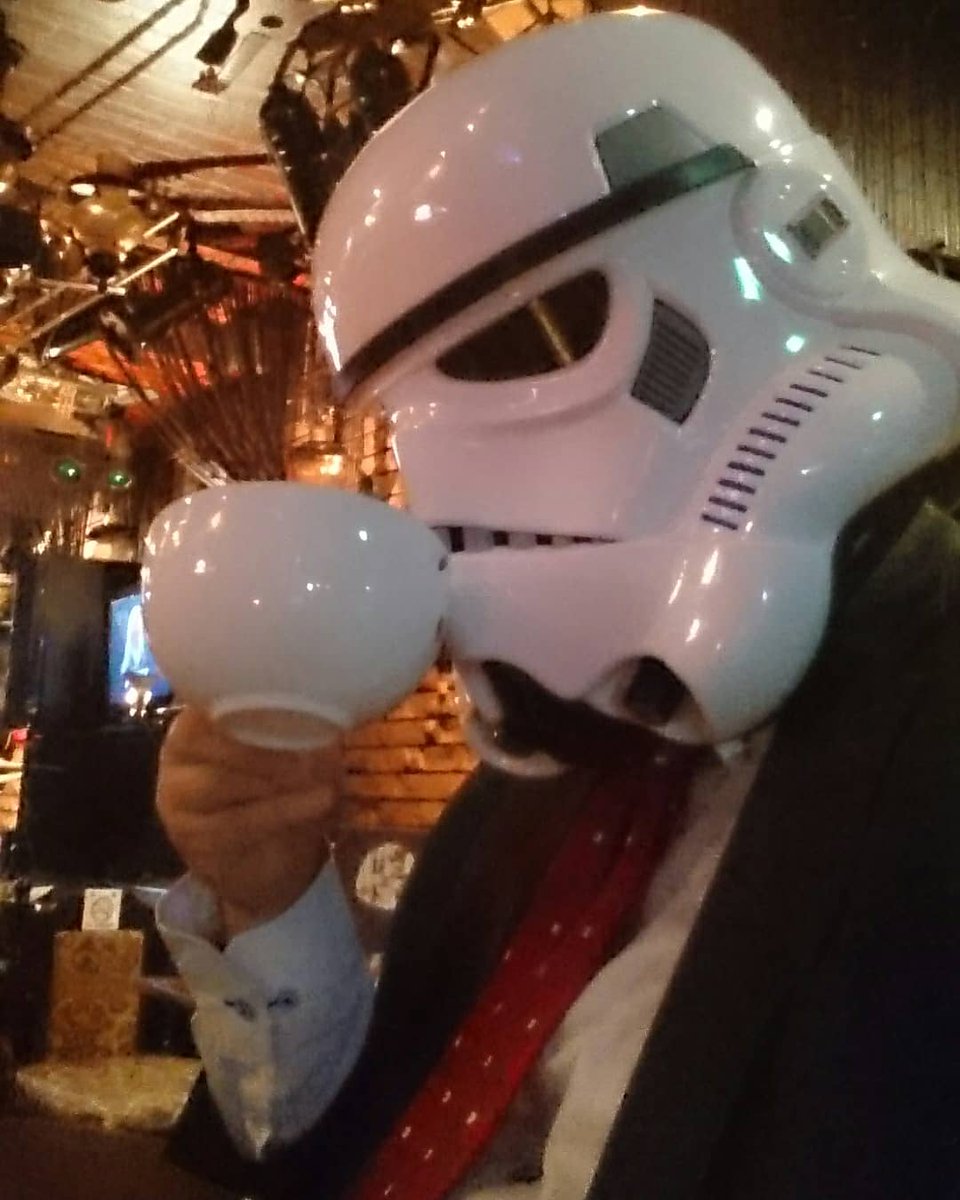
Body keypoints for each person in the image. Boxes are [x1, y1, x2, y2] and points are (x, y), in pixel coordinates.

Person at [156, 10, 960, 1200]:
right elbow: (347, 1129)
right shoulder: (547, 787)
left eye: (520, 349)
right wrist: (270, 900)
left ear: (793, 248)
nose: (455, 498)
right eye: (409, 421)